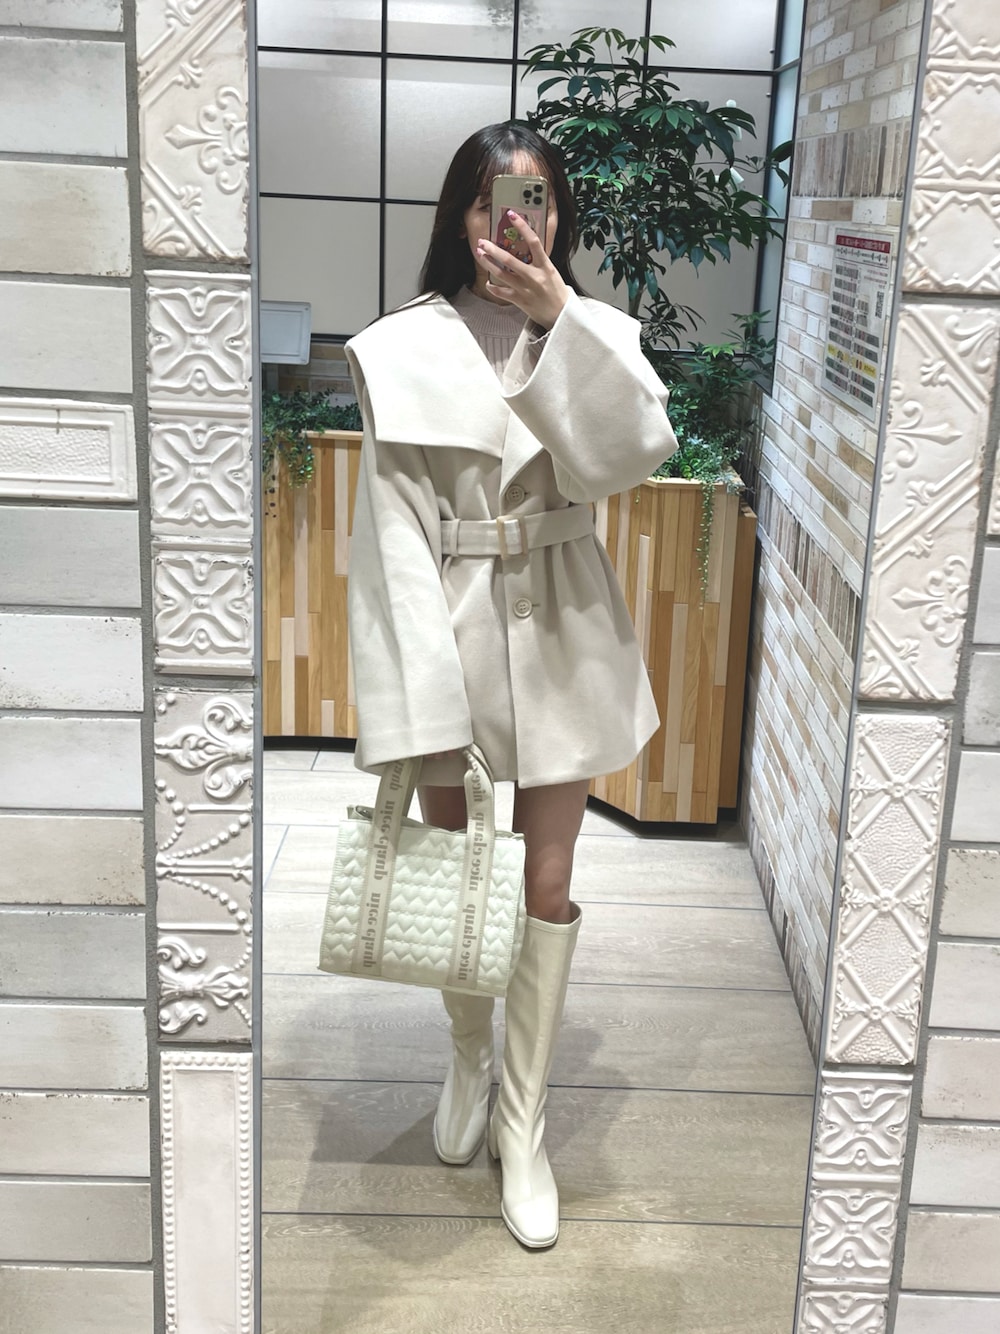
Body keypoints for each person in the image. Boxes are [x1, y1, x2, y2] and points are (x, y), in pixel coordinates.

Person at [344, 122, 677, 1249]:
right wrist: (417, 699)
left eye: (534, 199)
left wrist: (556, 319)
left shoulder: (599, 333)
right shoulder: (397, 348)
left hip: (566, 630)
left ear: (557, 215)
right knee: (459, 877)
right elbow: (390, 535)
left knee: (544, 881)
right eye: (493, 200)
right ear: (461, 214)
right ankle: (467, 1058)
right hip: (451, 635)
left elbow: (629, 457)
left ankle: (522, 1123)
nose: (514, 220)